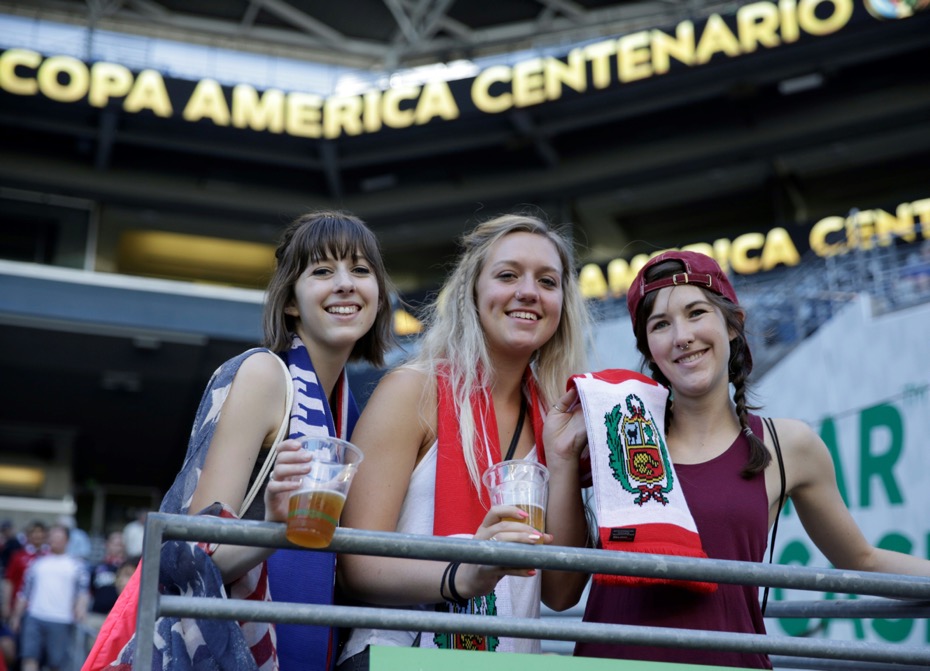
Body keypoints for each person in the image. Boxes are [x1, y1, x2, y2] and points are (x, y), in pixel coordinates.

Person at [558, 250, 930, 669]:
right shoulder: (617, 433)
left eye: (696, 312)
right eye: (661, 325)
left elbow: (861, 560)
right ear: (650, 349)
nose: (681, 335)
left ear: (733, 324)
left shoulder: (789, 445)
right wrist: (562, 459)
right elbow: (558, 591)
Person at [85, 210, 395, 671]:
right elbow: (193, 558)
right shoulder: (263, 374)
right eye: (323, 271)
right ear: (290, 302)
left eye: (361, 270)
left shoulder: (347, 409)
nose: (346, 283)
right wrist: (275, 525)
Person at [336, 213, 592, 668]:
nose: (529, 291)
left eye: (547, 281)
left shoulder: (557, 419)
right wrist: (464, 575)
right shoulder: (413, 390)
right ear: (473, 291)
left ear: (562, 303)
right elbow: (356, 566)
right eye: (508, 275)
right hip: (398, 656)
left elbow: (561, 590)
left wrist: (565, 459)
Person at [10, 524, 89, 671]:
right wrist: (16, 616)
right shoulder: (37, 563)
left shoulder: (76, 565)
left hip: (61, 619)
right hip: (34, 616)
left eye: (59, 537)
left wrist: (80, 608)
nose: (55, 540)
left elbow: (82, 591)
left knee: (56, 663)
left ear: (67, 540)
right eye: (53, 537)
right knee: (29, 658)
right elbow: (25, 591)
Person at [1, 522, 47, 625]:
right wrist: (6, 604)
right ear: (27, 535)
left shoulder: (50, 557)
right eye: (33, 532)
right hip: (20, 607)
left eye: (40, 532)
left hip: (44, 609)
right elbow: (9, 581)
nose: (37, 535)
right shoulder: (18, 556)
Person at [86, 531, 127, 636]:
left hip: (118, 618)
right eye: (114, 543)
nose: (117, 547)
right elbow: (91, 590)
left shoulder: (127, 569)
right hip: (96, 616)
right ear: (107, 544)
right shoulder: (98, 567)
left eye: (120, 544)